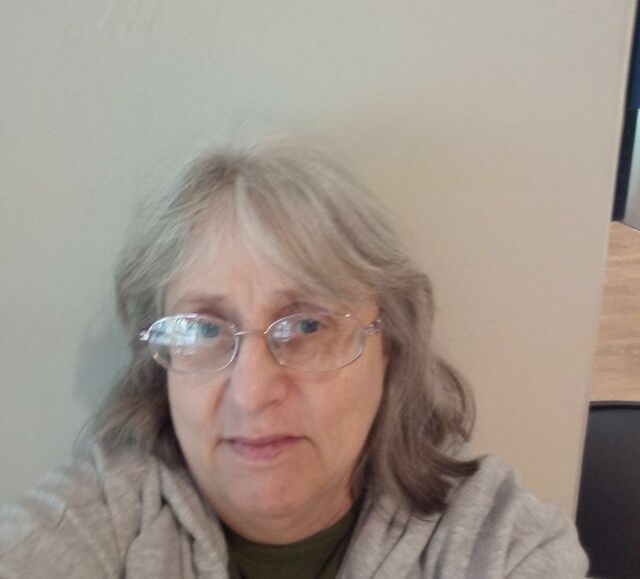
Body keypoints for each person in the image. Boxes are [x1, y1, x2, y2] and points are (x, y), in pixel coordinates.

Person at [0, 137, 589, 578]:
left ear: (390, 348)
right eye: (202, 328)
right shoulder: (93, 525)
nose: (253, 393)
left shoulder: (497, 546)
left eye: (307, 325)